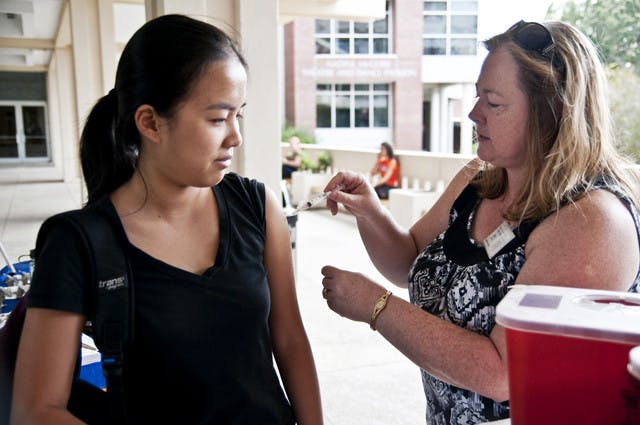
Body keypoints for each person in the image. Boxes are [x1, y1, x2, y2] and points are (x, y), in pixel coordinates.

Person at [319, 20, 640, 424]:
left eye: (493, 102)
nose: (473, 113)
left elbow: (503, 373)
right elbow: (409, 262)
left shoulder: (591, 219)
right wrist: (369, 210)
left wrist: (376, 307)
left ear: (552, 110)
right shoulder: (481, 177)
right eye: (476, 97)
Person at [11, 14, 323, 425]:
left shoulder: (256, 206)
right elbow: (36, 411)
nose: (235, 136)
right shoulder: (80, 243)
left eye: (238, 115)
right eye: (217, 118)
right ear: (150, 122)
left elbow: (290, 339)